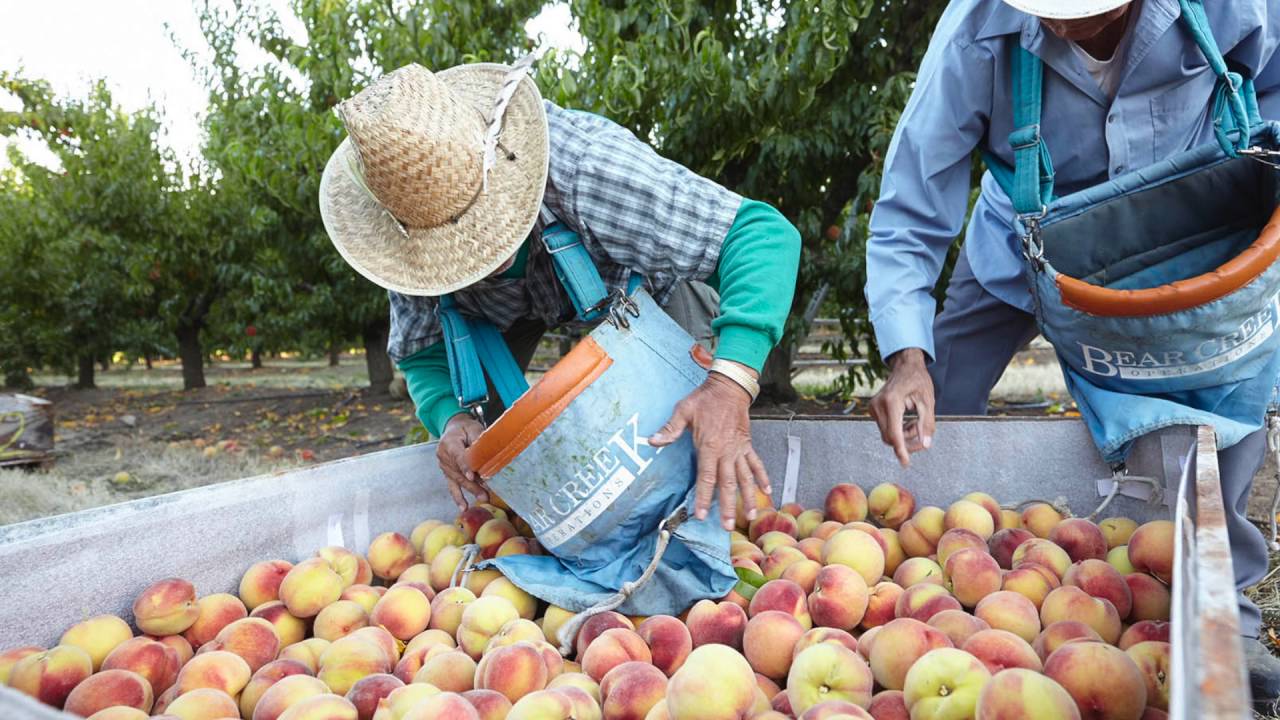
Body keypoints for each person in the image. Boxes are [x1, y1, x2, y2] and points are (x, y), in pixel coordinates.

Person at [863, 0, 1280, 705]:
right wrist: (907, 355)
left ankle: (1223, 603)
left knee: (1229, 403)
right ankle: (929, 579)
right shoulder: (977, 30)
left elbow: (1269, 80)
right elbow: (913, 197)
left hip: (1177, 238)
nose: (1058, 22)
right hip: (1027, 245)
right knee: (937, 394)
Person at [318, 61, 800, 532]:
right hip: (495, 318)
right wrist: (451, 415)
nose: (480, 257)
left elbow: (760, 236)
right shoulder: (400, 233)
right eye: (457, 254)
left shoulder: (586, 166)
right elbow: (422, 351)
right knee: (488, 460)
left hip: (639, 284)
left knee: (695, 446)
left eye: (486, 238)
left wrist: (730, 382)